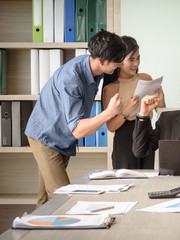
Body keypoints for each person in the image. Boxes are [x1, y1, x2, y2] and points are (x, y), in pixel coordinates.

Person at [25, 30, 127, 207]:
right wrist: (109, 113)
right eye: (117, 62)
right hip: (46, 137)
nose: (119, 65)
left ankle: (36, 233)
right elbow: (78, 130)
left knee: (45, 202)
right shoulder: (71, 78)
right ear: (101, 61)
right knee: (64, 200)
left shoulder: (96, 68)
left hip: (62, 137)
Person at [102, 35, 166, 169]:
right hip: (125, 139)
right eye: (131, 59)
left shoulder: (145, 78)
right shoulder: (111, 88)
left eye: (138, 58)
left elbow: (160, 113)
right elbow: (111, 127)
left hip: (146, 133)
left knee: (148, 181)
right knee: (127, 182)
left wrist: (161, 99)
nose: (136, 64)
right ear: (119, 61)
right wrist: (128, 109)